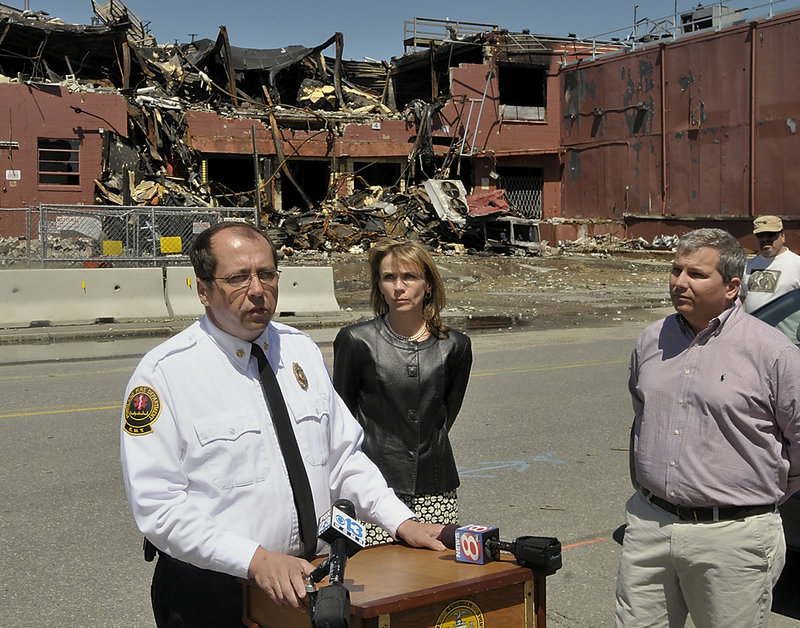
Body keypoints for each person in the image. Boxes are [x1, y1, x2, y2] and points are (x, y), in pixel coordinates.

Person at [120, 222, 446, 627]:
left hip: (306, 579)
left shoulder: (299, 350)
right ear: (203, 290)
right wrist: (254, 561)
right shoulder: (164, 373)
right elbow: (158, 506)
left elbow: (342, 458)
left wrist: (400, 521)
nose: (257, 290)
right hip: (212, 593)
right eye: (238, 277)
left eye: (267, 274)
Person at [615, 228, 800, 628]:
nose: (679, 282)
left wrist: (754, 501)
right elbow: (642, 419)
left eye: (696, 274)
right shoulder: (651, 339)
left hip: (732, 538)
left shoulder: (773, 353)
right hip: (651, 524)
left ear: (732, 286)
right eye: (676, 270)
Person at [332, 239, 472, 545]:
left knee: (437, 579)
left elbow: (445, 413)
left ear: (429, 285)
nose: (399, 287)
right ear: (379, 286)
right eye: (389, 278)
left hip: (435, 486)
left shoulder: (455, 346)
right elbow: (341, 417)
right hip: (371, 489)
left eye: (409, 277)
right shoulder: (356, 341)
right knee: (377, 584)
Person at [740, 215, 800, 312]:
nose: (765, 239)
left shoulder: (797, 264)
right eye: (760, 235)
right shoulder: (747, 266)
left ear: (783, 236)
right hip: (752, 326)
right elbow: (740, 299)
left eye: (770, 234)